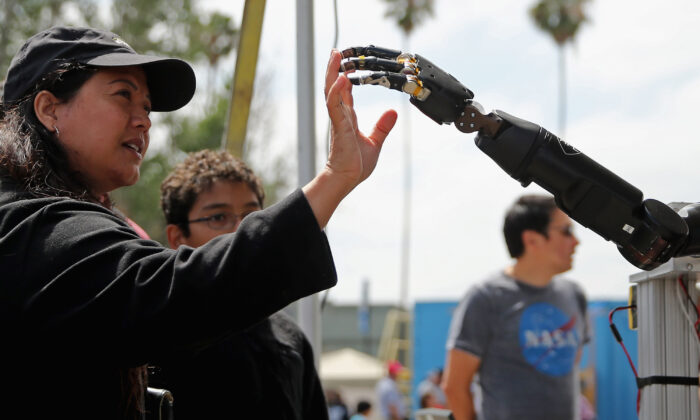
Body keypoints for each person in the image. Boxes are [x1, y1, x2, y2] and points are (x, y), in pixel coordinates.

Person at [0, 26, 397, 419]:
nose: (144, 121)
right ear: (49, 108)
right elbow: (175, 291)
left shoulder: (286, 340)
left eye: (147, 106)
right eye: (123, 94)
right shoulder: (25, 222)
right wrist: (334, 179)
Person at [154, 149, 328, 419]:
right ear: (177, 237)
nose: (239, 230)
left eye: (251, 217)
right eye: (218, 217)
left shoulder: (290, 338)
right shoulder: (160, 329)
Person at [443, 194, 589, 420]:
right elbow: (454, 387)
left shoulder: (574, 295)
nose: (576, 241)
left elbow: (568, 367)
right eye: (566, 231)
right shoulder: (486, 298)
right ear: (532, 239)